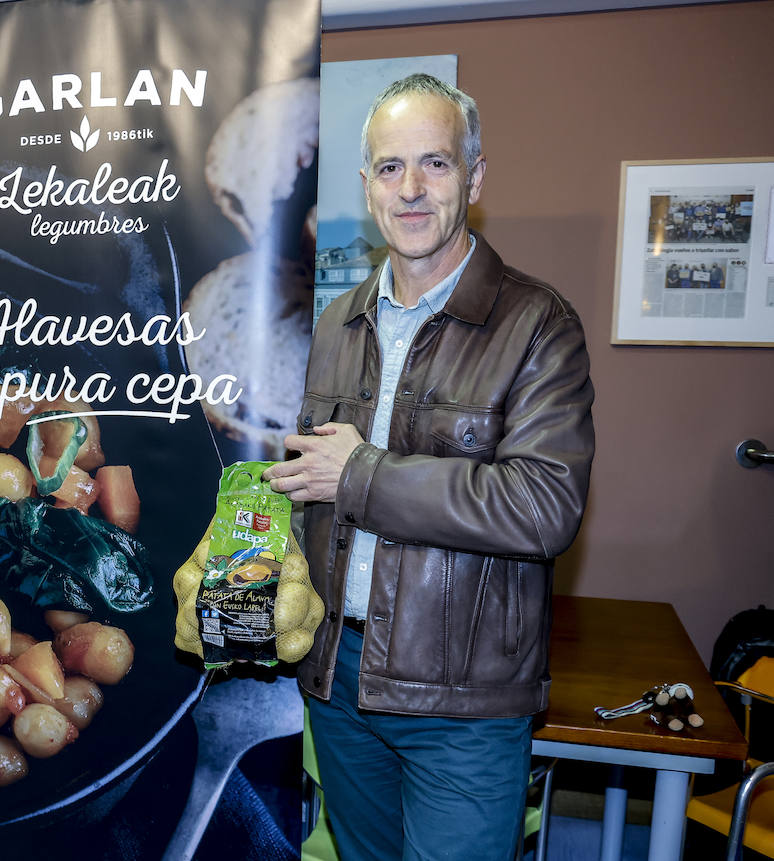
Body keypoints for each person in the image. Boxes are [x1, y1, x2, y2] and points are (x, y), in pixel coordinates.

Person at [264, 74, 594, 860]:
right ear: (366, 185)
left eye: (435, 165)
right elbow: (311, 485)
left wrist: (362, 475)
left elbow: (544, 506)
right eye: (389, 167)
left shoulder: (538, 323)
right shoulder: (337, 324)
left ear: (474, 177)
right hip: (340, 690)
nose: (410, 189)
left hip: (465, 708)